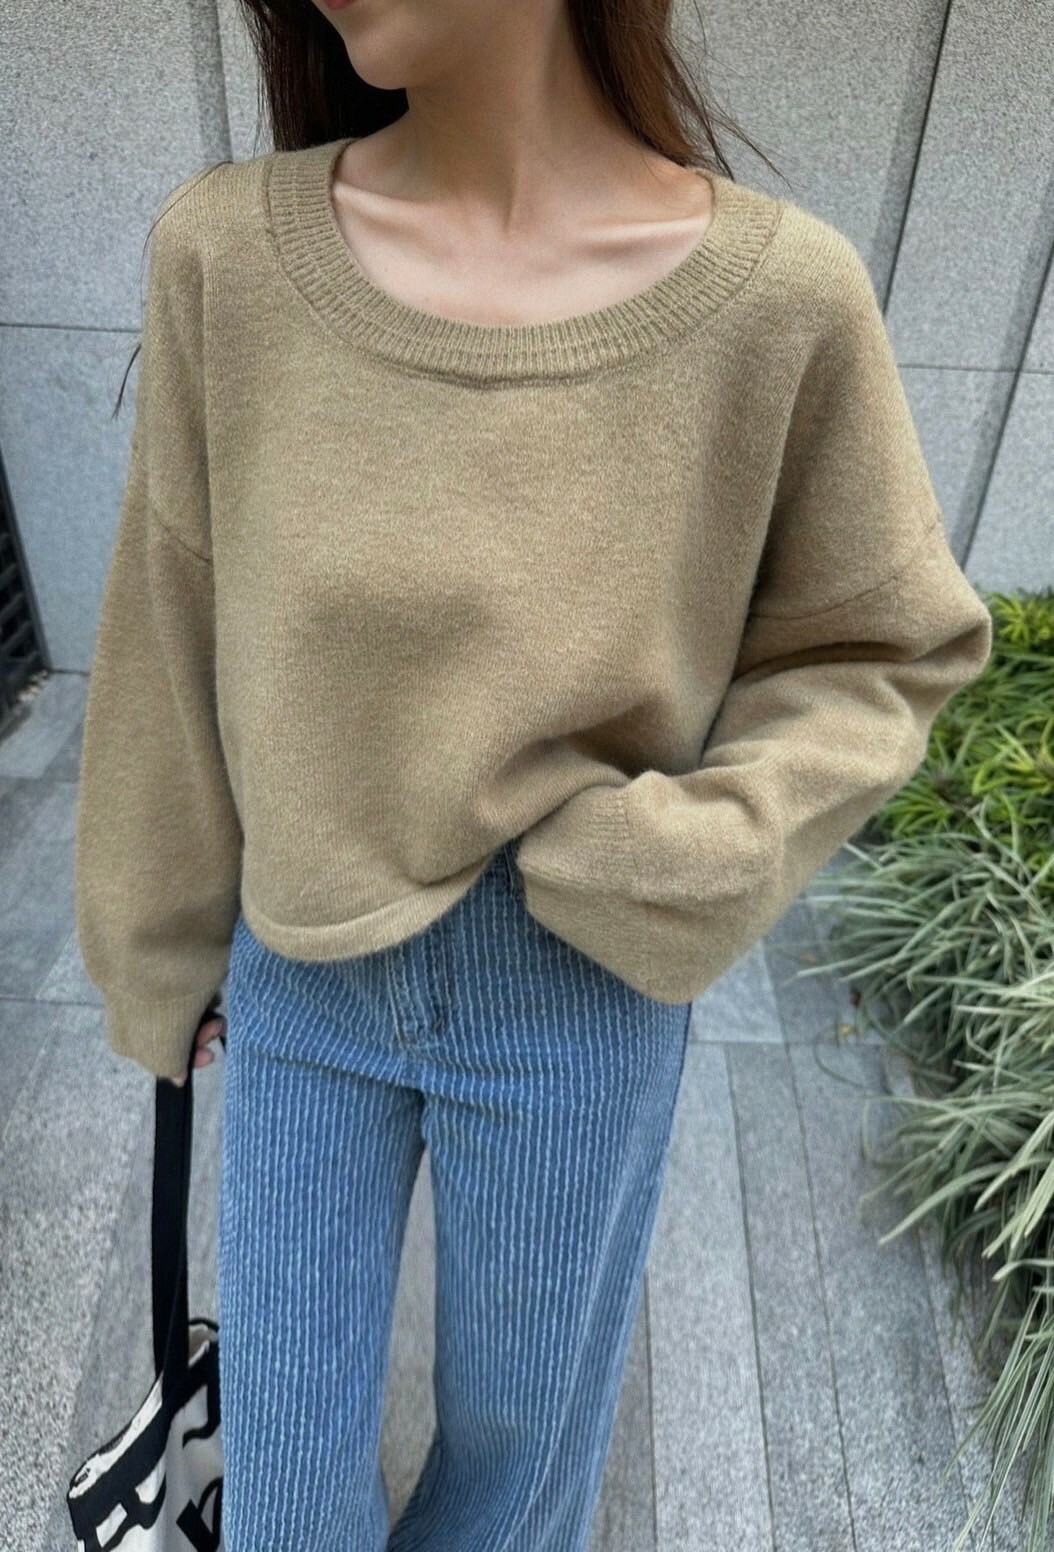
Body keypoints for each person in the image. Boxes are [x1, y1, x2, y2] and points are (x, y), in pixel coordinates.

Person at [72, 0, 994, 1547]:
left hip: (576, 981)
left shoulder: (776, 299)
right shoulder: (228, 254)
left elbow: (882, 643)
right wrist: (159, 946)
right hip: (304, 955)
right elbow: (172, 614)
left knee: (521, 1460)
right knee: (287, 1469)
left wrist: (699, 852)